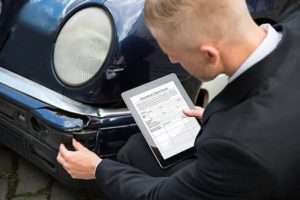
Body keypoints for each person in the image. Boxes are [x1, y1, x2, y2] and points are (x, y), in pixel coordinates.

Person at [56, 0, 300, 199]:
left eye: (173, 53)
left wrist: (97, 169)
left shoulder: (237, 150)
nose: (172, 61)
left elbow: (159, 196)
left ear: (209, 55)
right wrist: (215, 116)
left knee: (134, 153)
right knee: (140, 148)